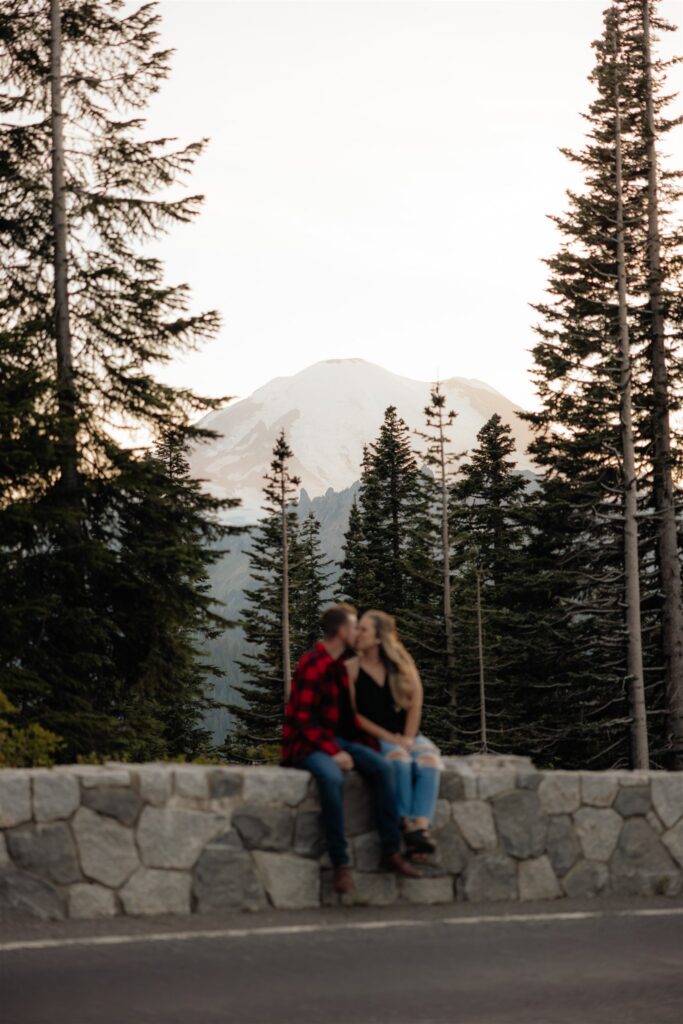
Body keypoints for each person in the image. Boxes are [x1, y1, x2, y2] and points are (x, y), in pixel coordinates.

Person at [282, 603, 420, 895]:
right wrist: (334, 751)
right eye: (355, 626)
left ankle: (390, 850)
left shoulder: (339, 668)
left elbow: (347, 721)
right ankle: (340, 864)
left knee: (382, 768)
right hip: (306, 746)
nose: (358, 632)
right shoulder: (312, 665)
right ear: (343, 631)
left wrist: (368, 748)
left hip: (334, 742)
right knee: (331, 778)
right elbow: (302, 721)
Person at [347, 610, 443, 859]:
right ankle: (407, 825)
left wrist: (409, 738)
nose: (357, 633)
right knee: (398, 760)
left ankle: (420, 828)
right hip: (377, 737)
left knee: (429, 761)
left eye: (363, 629)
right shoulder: (352, 669)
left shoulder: (401, 663)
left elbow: (415, 702)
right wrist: (392, 739)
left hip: (408, 735)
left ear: (379, 637)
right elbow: (353, 715)